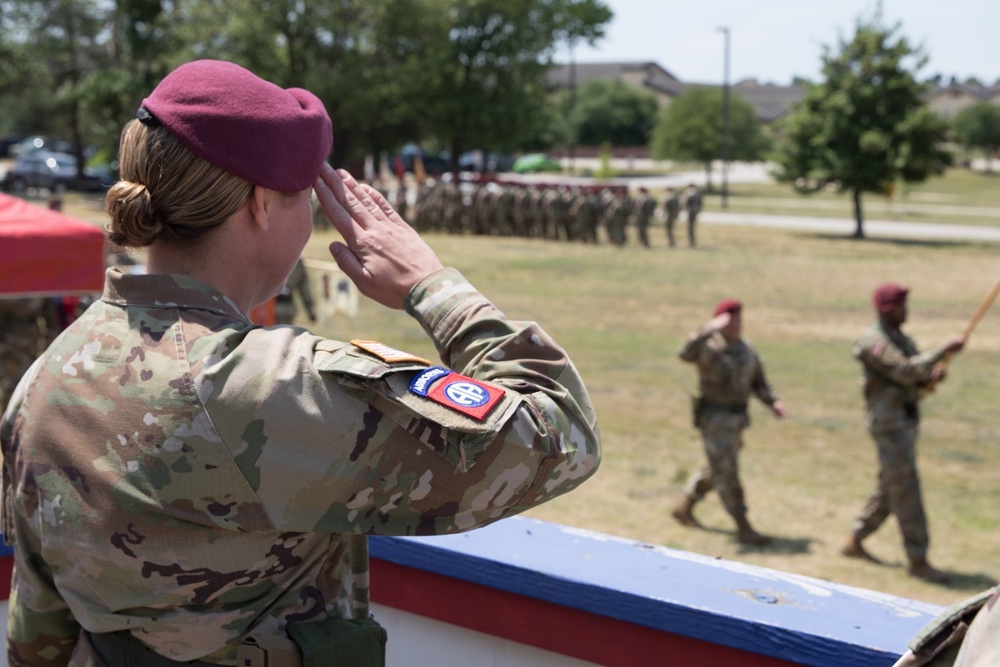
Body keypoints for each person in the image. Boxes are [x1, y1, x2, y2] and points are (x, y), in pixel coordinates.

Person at [0, 59, 601, 666]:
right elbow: (559, 436)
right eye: (307, 198)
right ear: (262, 204)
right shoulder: (263, 386)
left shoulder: (47, 377)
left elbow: (38, 627)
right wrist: (432, 286)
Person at [841, 282, 965, 584]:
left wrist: (931, 377)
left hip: (904, 422)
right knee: (906, 489)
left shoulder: (901, 339)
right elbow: (906, 371)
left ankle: (855, 539)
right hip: (889, 426)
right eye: (900, 305)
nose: (906, 310)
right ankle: (918, 559)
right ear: (887, 309)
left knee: (890, 488)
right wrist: (942, 351)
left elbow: (915, 379)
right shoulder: (874, 343)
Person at [672, 299, 787, 545]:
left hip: (737, 419)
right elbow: (683, 353)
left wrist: (773, 402)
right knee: (727, 472)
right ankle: (742, 525)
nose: (736, 325)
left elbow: (759, 382)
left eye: (738, 319)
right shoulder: (708, 345)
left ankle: (684, 506)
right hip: (714, 418)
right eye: (730, 320)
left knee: (718, 467)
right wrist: (706, 329)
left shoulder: (746, 348)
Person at [274, 257, 316, 325]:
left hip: (281, 307)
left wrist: (310, 310)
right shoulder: (297, 261)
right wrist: (310, 310)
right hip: (282, 308)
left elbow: (304, 288)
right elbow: (304, 289)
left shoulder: (297, 262)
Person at [681, 183, 702, 247]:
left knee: (690, 227)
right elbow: (700, 203)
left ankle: (691, 242)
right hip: (695, 211)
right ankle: (692, 241)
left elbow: (685, 202)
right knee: (692, 227)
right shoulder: (698, 193)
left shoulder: (690, 193)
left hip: (691, 212)